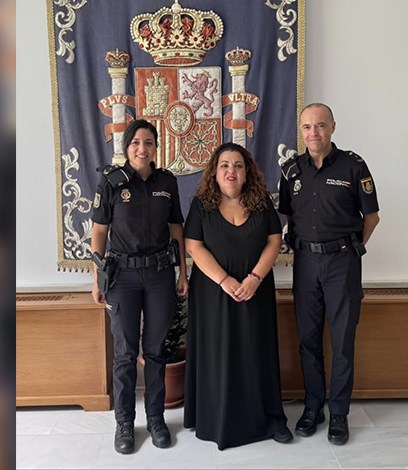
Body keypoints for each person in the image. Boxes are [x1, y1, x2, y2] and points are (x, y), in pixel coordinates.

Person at [278, 103, 380, 445]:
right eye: (307, 127)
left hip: (342, 264)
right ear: (301, 130)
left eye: (320, 125)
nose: (314, 133)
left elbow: (372, 217)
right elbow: (287, 215)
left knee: (342, 342)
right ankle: (312, 407)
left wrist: (348, 248)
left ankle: (338, 413)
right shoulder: (291, 171)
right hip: (305, 263)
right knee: (308, 340)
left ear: (333, 127)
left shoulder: (354, 166)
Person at [183, 143, 292, 450]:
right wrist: (224, 280)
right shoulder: (201, 204)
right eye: (225, 165)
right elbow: (193, 246)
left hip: (255, 289)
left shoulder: (261, 202)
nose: (231, 171)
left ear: (247, 173)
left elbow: (274, 240)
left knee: (256, 350)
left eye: (238, 165)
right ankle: (217, 418)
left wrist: (255, 278)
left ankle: (269, 418)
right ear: (214, 172)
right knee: (218, 352)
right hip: (213, 292)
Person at [90, 119, 189, 454]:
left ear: (156, 147)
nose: (142, 149)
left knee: (156, 351)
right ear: (126, 147)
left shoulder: (167, 182)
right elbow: (99, 230)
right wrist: (97, 278)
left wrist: (182, 273)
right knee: (125, 353)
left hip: (160, 275)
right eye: (135, 143)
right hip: (123, 278)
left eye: (148, 143)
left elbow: (176, 229)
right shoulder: (112, 182)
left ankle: (156, 419)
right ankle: (124, 424)